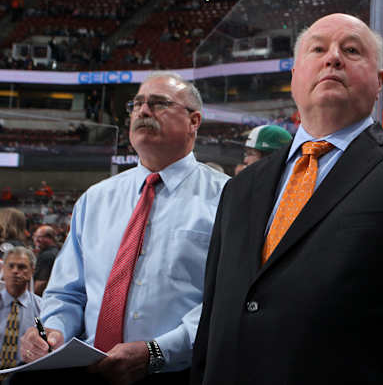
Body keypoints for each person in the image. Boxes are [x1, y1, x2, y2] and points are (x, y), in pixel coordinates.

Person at [191, 13, 383, 385]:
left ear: (379, 83)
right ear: (294, 76)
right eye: (318, 49)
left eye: (351, 49)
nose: (333, 57)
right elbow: (214, 320)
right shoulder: (239, 189)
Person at [16, 72, 229, 385]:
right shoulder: (95, 198)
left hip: (179, 373)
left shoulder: (228, 198)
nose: (143, 111)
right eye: (138, 104)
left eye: (159, 104)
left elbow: (225, 301)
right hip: (87, 369)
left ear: (194, 121)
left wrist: (158, 352)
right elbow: (67, 291)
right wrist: (53, 330)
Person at [0, 247, 41, 377]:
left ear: (32, 271)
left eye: (22, 267)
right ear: (3, 269)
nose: (15, 271)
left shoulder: (42, 308)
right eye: (11, 266)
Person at [32, 225, 59, 296]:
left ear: (49, 238)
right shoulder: (57, 251)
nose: (35, 240)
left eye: (39, 237)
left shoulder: (47, 256)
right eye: (35, 236)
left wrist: (31, 299)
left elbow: (41, 283)